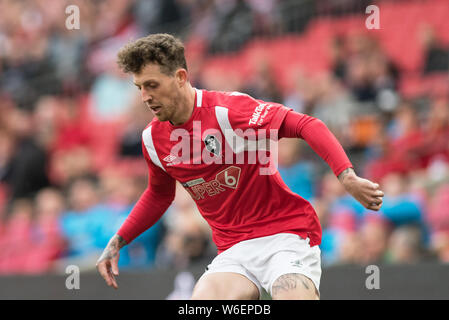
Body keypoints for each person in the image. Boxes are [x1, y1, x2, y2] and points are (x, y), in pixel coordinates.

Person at [96, 33, 384, 300]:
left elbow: (306, 124)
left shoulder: (227, 111)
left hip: (284, 235)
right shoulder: (152, 139)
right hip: (234, 251)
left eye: (152, 85)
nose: (145, 96)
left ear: (181, 77)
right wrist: (118, 241)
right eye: (139, 87)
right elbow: (159, 195)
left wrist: (346, 177)